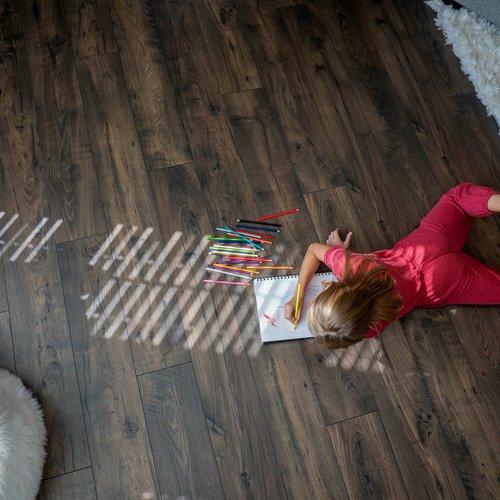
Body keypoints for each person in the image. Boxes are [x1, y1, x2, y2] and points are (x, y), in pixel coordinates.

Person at [284, 183, 500, 349]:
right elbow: (314, 249)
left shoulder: (371, 327)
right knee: (457, 198)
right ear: (334, 288)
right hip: (426, 245)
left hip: (442, 282)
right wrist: (299, 294)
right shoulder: (351, 265)